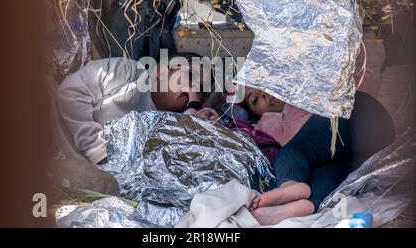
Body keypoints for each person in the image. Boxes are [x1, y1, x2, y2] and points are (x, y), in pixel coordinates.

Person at [241, 44, 395, 225]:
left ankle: (289, 185)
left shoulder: (304, 86)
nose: (264, 96)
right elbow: (245, 132)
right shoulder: (266, 125)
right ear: (254, 112)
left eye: (263, 87)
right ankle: (307, 206)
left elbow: (368, 65)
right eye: (255, 99)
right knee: (325, 175)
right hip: (369, 157)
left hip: (364, 118)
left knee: (294, 150)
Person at [53, 52, 205, 165]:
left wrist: (193, 109)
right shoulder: (132, 73)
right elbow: (71, 91)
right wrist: (96, 148)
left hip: (75, 179)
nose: (194, 88)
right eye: (191, 74)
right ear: (163, 71)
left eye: (201, 90)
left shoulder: (165, 127)